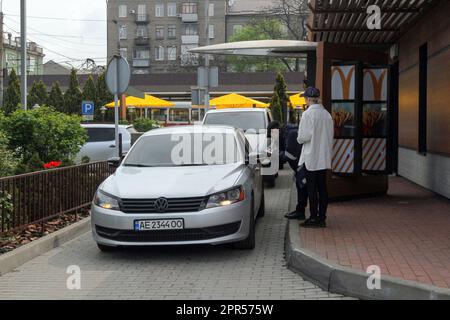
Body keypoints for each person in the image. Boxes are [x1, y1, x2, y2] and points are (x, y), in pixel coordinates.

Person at [297, 87, 334, 228]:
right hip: (323, 157)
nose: (305, 101)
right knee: (322, 188)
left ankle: (313, 217)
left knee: (312, 189)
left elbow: (302, 137)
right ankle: (322, 217)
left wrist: (300, 138)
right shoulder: (327, 115)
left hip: (311, 157)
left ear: (308, 99)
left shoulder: (307, 115)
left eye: (305, 98)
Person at [284, 121, 308, 220]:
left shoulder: (290, 134)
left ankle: (300, 212)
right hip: (304, 163)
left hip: (300, 165)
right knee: (304, 187)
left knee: (302, 188)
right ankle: (300, 210)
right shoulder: (296, 131)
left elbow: (289, 154)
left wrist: (279, 155)